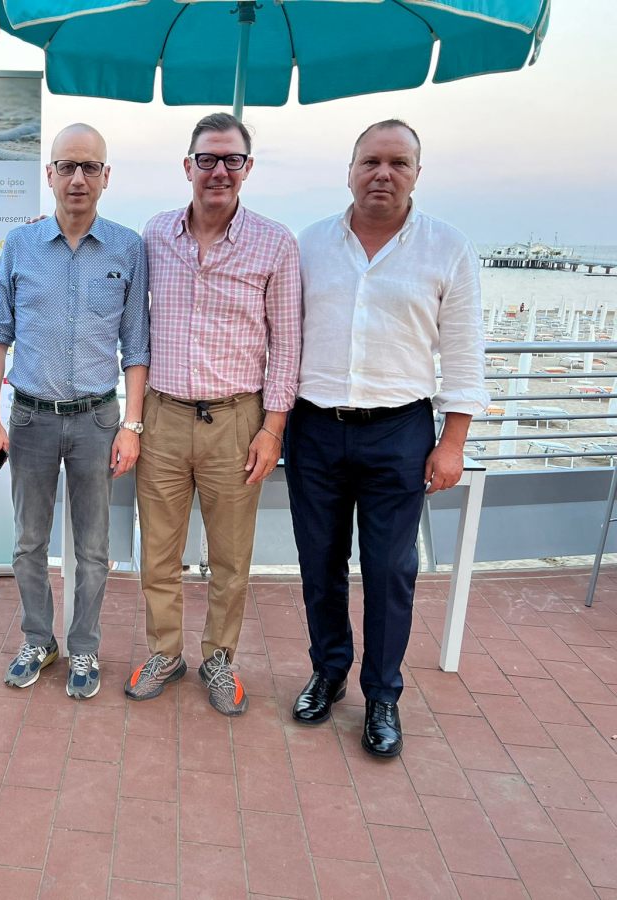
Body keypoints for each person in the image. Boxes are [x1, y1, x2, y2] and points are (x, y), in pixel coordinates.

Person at [286, 120, 487, 758]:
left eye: (399, 162)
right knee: (320, 563)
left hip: (400, 431)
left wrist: (452, 443)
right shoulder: (310, 244)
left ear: (417, 174)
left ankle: (382, 695)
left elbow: (464, 354)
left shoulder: (447, 248)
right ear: (349, 171)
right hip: (315, 426)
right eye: (371, 161)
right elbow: (282, 338)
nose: (383, 173)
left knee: (390, 571)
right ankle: (328, 671)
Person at [127, 113, 302, 716]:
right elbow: (134, 324)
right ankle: (165, 652)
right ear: (188, 166)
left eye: (231, 160)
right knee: (159, 551)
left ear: (247, 168)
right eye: (207, 159)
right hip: (163, 416)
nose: (219, 171)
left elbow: (287, 345)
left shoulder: (275, 243)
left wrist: (273, 429)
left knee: (230, 557)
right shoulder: (155, 234)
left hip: (236, 421)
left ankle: (220, 659)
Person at [0, 123, 150, 700]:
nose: (78, 178)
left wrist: (132, 425)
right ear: (49, 174)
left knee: (93, 548)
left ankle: (85, 646)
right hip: (29, 419)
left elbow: (136, 346)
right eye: (67, 166)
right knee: (28, 543)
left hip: (98, 420)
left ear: (106, 176)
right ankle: (38, 638)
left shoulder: (128, 248)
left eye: (90, 167)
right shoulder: (20, 245)